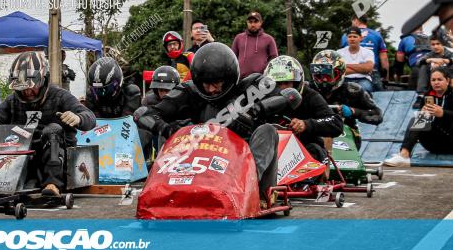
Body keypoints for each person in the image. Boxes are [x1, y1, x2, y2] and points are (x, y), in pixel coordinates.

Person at [137, 42, 282, 207]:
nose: (211, 89)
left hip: (241, 161)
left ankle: (251, 191)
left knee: (268, 130)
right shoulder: (189, 91)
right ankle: (164, 188)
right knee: (171, 129)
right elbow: (143, 113)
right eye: (206, 83)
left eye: (216, 83)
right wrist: (167, 128)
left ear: (229, 78)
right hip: (200, 159)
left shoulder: (252, 86)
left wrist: (257, 109)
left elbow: (292, 95)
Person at [0, 51, 96, 197]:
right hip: (23, 160)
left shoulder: (61, 96)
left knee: (53, 129)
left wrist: (78, 118)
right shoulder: (11, 101)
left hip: (59, 161)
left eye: (32, 86)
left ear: (43, 80)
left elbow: (91, 118)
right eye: (22, 87)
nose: (27, 91)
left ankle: (53, 184)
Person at [264, 55, 342, 162]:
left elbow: (336, 123)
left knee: (315, 149)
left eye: (287, 83)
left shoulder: (310, 96)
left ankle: (306, 179)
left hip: (303, 149)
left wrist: (306, 124)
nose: (282, 88)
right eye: (278, 84)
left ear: (296, 83)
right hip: (269, 150)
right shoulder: (261, 98)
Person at [384, 67, 453, 166]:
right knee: (418, 118)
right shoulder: (428, 95)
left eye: (439, 79)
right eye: (433, 80)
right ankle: (404, 155)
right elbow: (421, 122)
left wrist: (442, 113)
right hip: (432, 143)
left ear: (447, 80)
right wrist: (422, 112)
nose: (436, 82)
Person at [309, 49, 383, 148]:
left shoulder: (352, 90)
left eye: (329, 75)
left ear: (339, 74)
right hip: (314, 134)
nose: (324, 80)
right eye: (320, 75)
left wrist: (353, 111)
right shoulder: (307, 89)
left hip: (345, 136)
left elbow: (377, 115)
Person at [340, 14, 390, 89]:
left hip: (349, 74)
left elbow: (342, 59)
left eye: (352, 22)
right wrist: (386, 78)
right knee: (376, 98)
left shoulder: (346, 36)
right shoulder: (376, 35)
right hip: (373, 73)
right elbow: (384, 58)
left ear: (356, 21)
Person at [231, 11, 279, 79]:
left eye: (256, 22)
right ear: (247, 23)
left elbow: (274, 59)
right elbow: (232, 58)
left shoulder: (269, 39)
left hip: (260, 80)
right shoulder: (238, 38)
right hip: (241, 79)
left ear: (261, 22)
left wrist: (265, 70)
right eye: (250, 22)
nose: (253, 24)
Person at [337, 27, 376, 93]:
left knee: (365, 89)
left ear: (360, 38)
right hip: (345, 79)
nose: (352, 39)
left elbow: (368, 68)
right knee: (340, 91)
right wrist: (361, 68)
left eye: (355, 37)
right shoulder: (339, 52)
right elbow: (338, 71)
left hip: (363, 79)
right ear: (347, 38)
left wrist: (345, 65)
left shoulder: (368, 52)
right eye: (350, 37)